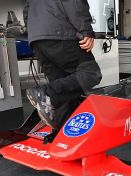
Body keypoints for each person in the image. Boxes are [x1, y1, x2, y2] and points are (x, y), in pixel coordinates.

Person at [23, 0, 102, 129]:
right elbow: (75, 3)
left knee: (62, 86)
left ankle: (61, 132)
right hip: (60, 34)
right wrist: (86, 30)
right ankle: (47, 93)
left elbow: (27, 11)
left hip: (37, 40)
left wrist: (37, 33)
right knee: (91, 73)